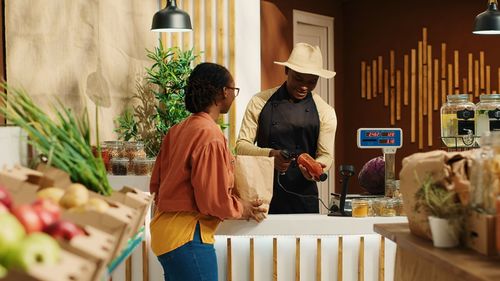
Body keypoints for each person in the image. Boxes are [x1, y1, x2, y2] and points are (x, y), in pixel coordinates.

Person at [149, 62, 267, 281]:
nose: (234, 96)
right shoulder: (210, 135)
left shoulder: (177, 130)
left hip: (165, 233)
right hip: (187, 237)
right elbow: (212, 200)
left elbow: (155, 184)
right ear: (223, 92)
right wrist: (244, 208)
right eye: (234, 90)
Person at [236, 43, 337, 214]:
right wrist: (269, 156)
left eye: (312, 81)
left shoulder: (325, 111)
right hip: (261, 195)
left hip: (304, 196)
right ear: (286, 71)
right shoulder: (259, 101)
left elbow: (326, 155)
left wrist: (317, 168)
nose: (304, 86)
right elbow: (241, 146)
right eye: (298, 78)